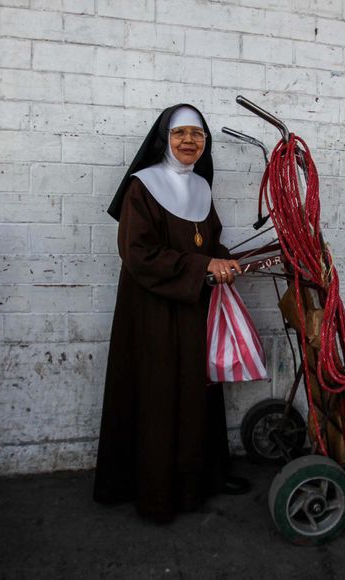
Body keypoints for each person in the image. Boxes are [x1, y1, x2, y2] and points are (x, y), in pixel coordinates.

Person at [94, 104, 249, 524]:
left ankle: (201, 478)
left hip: (195, 308)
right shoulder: (142, 187)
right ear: (164, 138)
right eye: (180, 133)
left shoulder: (201, 186)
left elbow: (209, 240)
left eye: (197, 135)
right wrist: (203, 268)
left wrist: (224, 260)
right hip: (153, 313)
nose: (189, 142)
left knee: (197, 392)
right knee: (160, 394)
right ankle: (159, 492)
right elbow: (138, 254)